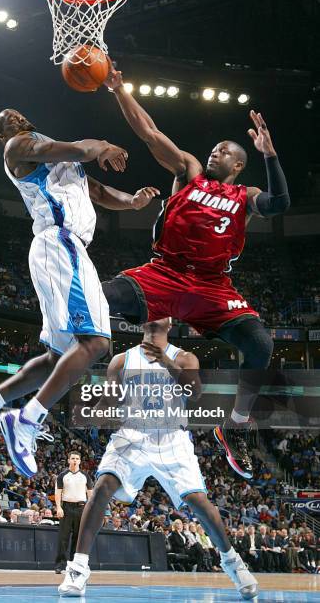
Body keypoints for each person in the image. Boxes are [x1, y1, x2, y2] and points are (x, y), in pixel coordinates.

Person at [101, 67, 290, 479]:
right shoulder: (189, 171)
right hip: (166, 272)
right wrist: (119, 90)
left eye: (222, 152)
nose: (213, 154)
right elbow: (149, 133)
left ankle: (236, 420)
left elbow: (280, 204)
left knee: (259, 342)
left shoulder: (246, 196)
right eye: (214, 150)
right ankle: (64, 360)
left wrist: (270, 154)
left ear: (239, 164)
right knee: (100, 297)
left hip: (210, 285)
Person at [0, 109, 158, 477]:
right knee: (95, 344)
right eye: (6, 119)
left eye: (16, 113)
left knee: (58, 357)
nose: (15, 116)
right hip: (59, 242)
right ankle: (28, 419)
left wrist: (131, 202)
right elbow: (78, 150)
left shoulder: (55, 154)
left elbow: (95, 189)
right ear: (2, 137)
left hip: (65, 248)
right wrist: (102, 146)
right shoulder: (19, 147)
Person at [59, 318, 258, 599]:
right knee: (103, 486)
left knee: (199, 503)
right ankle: (78, 569)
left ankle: (233, 563)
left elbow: (196, 392)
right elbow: (110, 401)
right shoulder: (121, 360)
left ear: (170, 322)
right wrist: (92, 411)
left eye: (161, 311)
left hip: (171, 436)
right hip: (132, 434)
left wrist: (165, 361)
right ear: (142, 322)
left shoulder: (185, 357)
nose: (154, 315)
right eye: (149, 311)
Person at [54, 451, 93, 573]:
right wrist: (58, 507)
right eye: (73, 458)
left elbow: (90, 494)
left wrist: (90, 510)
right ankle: (60, 565)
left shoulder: (85, 476)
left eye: (77, 458)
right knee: (63, 538)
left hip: (81, 508)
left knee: (78, 539)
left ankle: (74, 565)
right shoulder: (62, 475)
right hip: (66, 508)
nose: (75, 460)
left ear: (80, 461)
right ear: (68, 460)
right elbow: (58, 493)